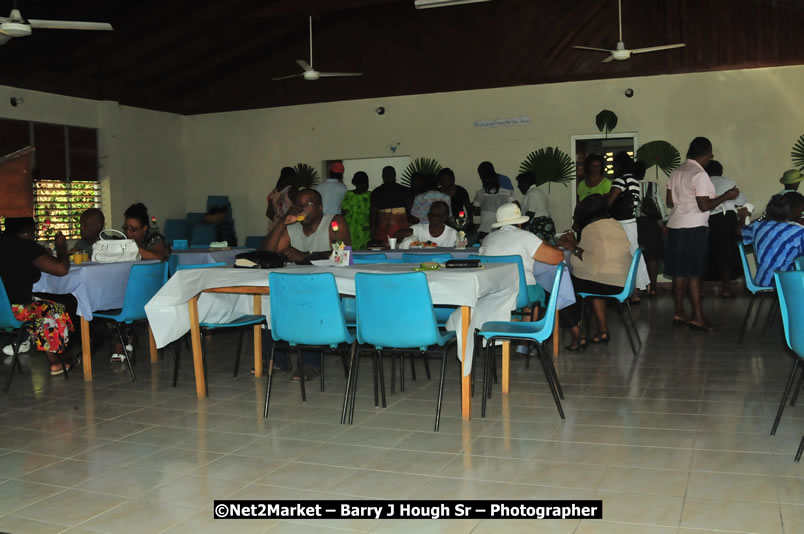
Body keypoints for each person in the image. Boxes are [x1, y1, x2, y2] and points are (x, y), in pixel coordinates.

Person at [665, 137, 739, 331]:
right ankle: (698, 317)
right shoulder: (700, 173)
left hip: (675, 226)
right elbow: (704, 205)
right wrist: (726, 196)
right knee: (695, 273)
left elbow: (669, 201)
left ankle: (679, 312)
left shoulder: (677, 171)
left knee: (679, 273)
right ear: (706, 154)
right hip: (694, 228)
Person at [0, 218, 76, 375]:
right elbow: (61, 269)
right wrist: (62, 248)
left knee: (40, 305)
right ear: (28, 232)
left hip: (3, 310)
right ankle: (56, 361)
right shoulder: (26, 246)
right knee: (54, 309)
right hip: (15, 310)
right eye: (34, 233)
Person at [557, 194, 633, 349]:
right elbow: (596, 252)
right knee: (591, 282)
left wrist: (573, 247)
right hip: (623, 281)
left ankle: (578, 336)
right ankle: (603, 331)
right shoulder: (614, 224)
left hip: (608, 282)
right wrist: (576, 244)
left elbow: (592, 264)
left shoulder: (591, 229)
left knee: (561, 289)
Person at [479, 203, 564, 319]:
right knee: (536, 291)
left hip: (495, 291)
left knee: (516, 298)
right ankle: (527, 328)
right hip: (522, 291)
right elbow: (557, 257)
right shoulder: (526, 236)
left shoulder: (488, 238)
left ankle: (512, 322)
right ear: (520, 223)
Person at [263, 189, 351, 262]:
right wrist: (282, 222)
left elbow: (343, 257)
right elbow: (266, 256)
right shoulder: (292, 228)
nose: (302, 208)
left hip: (327, 279)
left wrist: (306, 256)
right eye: (298, 204)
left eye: (308, 204)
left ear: (320, 207)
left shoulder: (334, 223)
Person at [607, 152, 650, 299]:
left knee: (625, 256)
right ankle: (641, 287)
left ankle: (633, 292)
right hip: (631, 221)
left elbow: (610, 202)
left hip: (621, 223)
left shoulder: (621, 180)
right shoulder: (634, 180)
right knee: (634, 253)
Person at [741, 193, 804, 287]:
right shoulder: (797, 231)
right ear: (793, 210)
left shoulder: (758, 226)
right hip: (787, 282)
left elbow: (740, 232)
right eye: (802, 210)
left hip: (763, 279)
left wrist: (743, 216)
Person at [705, 160, 747, 297]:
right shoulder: (729, 182)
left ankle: (700, 290)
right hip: (726, 220)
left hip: (707, 220)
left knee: (705, 253)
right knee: (726, 254)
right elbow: (741, 201)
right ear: (721, 171)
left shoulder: (703, 183)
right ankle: (726, 289)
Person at [636, 164, 665, 297]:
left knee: (635, 256)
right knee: (652, 257)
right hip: (651, 224)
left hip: (634, 224)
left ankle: (636, 289)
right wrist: (662, 222)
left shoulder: (628, 185)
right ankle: (653, 288)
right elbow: (659, 205)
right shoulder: (652, 185)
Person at [370, 166, 413, 242]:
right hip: (396, 228)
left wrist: (372, 229)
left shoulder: (376, 192)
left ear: (383, 177)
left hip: (391, 229)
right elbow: (410, 210)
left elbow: (373, 212)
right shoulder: (406, 191)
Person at [517, 171, 556, 244]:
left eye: (519, 183)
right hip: (542, 224)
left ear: (525, 183)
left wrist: (520, 227)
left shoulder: (533, 193)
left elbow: (530, 213)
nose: (518, 186)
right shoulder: (537, 192)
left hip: (538, 225)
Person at [473, 173, 513, 239]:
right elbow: (516, 207)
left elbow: (476, 212)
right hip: (501, 229)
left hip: (484, 229)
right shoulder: (508, 192)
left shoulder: (480, 193)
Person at [341, 171, 372, 250]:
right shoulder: (348, 194)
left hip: (363, 231)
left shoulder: (370, 195)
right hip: (352, 230)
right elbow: (342, 212)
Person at [266, 167, 297, 231]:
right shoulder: (292, 191)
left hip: (275, 228)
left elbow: (269, 214)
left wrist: (278, 217)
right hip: (289, 227)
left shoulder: (273, 192)